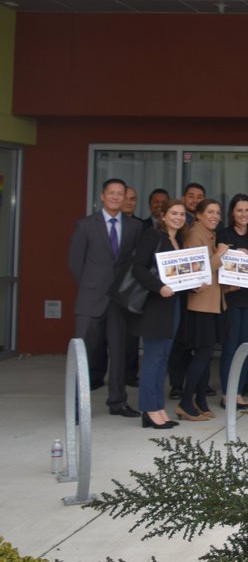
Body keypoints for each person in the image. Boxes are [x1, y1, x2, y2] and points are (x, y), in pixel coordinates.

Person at [68, 177, 143, 415]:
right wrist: (92, 286)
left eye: (120, 193)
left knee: (119, 353)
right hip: (91, 299)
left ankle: (117, 402)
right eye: (111, 193)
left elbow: (135, 262)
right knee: (83, 353)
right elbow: (75, 263)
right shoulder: (85, 225)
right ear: (102, 196)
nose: (115, 197)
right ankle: (76, 405)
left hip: (119, 300)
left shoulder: (134, 227)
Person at [128, 199, 185, 429]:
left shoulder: (178, 240)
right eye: (174, 213)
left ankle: (158, 407)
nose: (178, 218)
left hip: (173, 304)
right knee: (153, 358)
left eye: (182, 214)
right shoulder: (152, 236)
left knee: (163, 357)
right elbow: (138, 268)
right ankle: (149, 409)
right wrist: (159, 287)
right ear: (163, 216)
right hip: (155, 304)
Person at [178, 199, 228, 421]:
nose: (215, 216)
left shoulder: (209, 234)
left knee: (205, 354)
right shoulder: (194, 234)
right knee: (202, 353)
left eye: (218, 212)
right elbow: (198, 270)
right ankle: (186, 401)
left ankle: (200, 400)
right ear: (198, 214)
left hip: (212, 302)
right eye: (210, 212)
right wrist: (220, 254)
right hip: (200, 304)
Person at [216, 194, 248, 409]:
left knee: (247, 345)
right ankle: (227, 393)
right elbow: (216, 262)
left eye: (247, 210)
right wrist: (234, 254)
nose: (243, 214)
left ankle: (238, 392)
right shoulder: (224, 235)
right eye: (239, 210)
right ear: (232, 213)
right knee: (230, 345)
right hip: (232, 299)